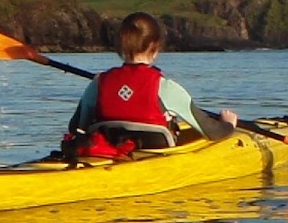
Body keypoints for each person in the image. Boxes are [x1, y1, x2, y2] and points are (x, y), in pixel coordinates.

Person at [68, 12, 238, 149]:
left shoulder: (98, 83)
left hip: (112, 153)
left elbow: (76, 128)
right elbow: (212, 132)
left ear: (120, 46)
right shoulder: (167, 88)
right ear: (155, 47)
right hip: (156, 156)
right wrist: (228, 124)